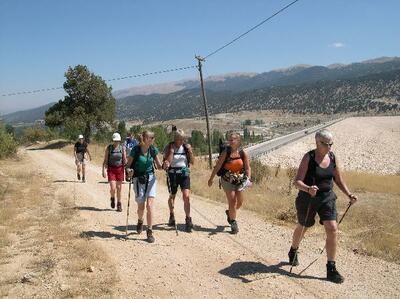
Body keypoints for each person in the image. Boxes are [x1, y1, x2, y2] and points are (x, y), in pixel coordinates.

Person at [288, 129, 357, 284]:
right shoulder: (309, 157)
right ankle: (293, 250)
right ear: (316, 142)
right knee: (303, 226)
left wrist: (349, 194)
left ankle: (331, 268)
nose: (328, 147)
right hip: (308, 198)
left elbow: (338, 179)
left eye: (330, 144)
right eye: (325, 144)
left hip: (327, 197)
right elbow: (297, 181)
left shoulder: (332, 157)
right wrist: (308, 189)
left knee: (333, 228)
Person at [208, 132, 251, 234]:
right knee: (232, 201)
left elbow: (248, 167)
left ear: (238, 141)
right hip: (227, 180)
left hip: (239, 179)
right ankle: (233, 222)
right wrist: (211, 178)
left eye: (232, 140)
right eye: (229, 140)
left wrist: (248, 179)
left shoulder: (242, 153)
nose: (230, 142)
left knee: (240, 202)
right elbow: (218, 166)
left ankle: (230, 213)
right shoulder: (225, 152)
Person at [126, 130, 163, 243]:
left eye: (153, 138)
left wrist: (165, 165)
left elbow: (159, 166)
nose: (152, 140)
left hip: (150, 178)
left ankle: (150, 231)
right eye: (150, 137)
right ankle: (140, 220)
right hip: (138, 179)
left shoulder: (153, 150)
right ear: (145, 138)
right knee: (141, 207)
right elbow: (127, 166)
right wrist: (129, 171)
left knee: (150, 205)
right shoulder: (136, 150)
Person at [162, 129, 195, 232]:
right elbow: (166, 162)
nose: (181, 141)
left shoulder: (185, 147)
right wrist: (171, 152)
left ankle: (188, 219)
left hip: (184, 174)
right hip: (172, 175)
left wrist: (190, 152)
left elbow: (192, 161)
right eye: (179, 139)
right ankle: (172, 215)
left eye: (182, 139)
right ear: (175, 138)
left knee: (186, 196)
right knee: (172, 196)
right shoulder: (169, 147)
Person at [102, 132, 127, 212]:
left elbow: (125, 160)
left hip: (120, 169)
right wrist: (103, 170)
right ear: (112, 140)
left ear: (119, 141)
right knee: (113, 188)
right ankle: (112, 198)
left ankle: (119, 204)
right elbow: (105, 160)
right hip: (111, 170)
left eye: (118, 141)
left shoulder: (122, 148)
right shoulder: (109, 148)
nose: (116, 142)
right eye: (115, 140)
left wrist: (127, 169)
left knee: (119, 188)